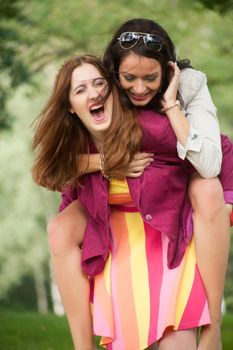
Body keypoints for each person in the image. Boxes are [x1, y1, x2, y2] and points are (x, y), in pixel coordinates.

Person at [33, 18, 233, 349]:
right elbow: (53, 171)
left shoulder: (149, 124)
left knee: (207, 189)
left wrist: (228, 196)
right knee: (59, 229)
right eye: (80, 90)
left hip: (169, 243)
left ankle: (213, 325)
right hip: (123, 251)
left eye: (98, 84)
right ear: (69, 105)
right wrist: (102, 163)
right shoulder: (77, 135)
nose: (139, 88)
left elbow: (220, 147)